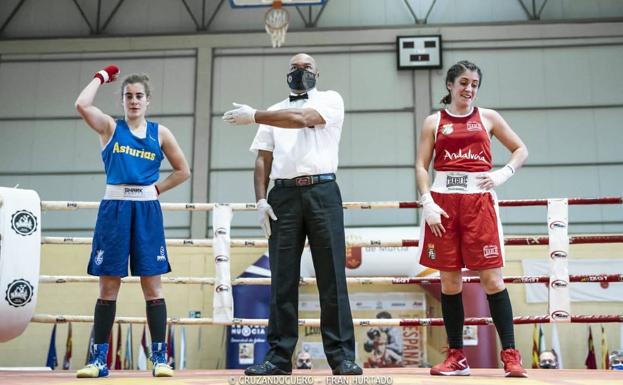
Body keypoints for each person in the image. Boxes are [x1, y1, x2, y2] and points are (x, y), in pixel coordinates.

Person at [222, 53, 362, 376]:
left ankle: (341, 357)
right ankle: (278, 357)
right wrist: (260, 200)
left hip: (323, 191)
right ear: (286, 75)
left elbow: (301, 119)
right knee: (282, 278)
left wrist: (255, 115)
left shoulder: (330, 100)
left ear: (317, 72)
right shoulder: (272, 111)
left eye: (306, 68)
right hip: (282, 195)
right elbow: (263, 160)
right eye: (294, 69)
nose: (300, 72)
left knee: (332, 277)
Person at [74, 66, 190, 378]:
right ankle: (99, 361)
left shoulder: (160, 133)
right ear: (123, 101)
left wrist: (157, 189)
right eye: (129, 96)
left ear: (148, 101)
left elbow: (183, 170)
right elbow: (82, 105)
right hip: (114, 210)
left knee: (152, 285)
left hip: (147, 210)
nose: (134, 101)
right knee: (108, 285)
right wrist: (99, 76)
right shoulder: (110, 128)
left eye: (139, 96)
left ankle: (160, 359)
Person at [415, 60, 529, 378]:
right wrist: (426, 200)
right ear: (450, 85)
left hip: (479, 202)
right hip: (443, 203)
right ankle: (457, 357)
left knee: (492, 280)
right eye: (463, 82)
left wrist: (503, 174)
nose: (469, 89)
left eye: (474, 84)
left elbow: (520, 149)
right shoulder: (433, 121)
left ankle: (510, 356)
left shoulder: (488, 117)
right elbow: (422, 165)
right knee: (450, 283)